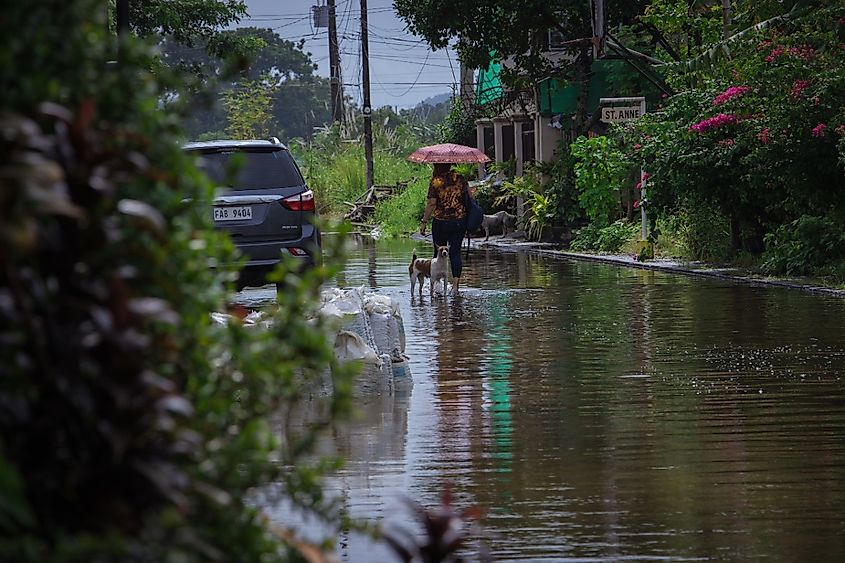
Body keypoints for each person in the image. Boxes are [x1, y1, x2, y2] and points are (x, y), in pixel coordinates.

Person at [419, 163, 468, 294]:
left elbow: (431, 203)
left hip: (441, 221)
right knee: (455, 252)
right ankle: (455, 287)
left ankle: (437, 286)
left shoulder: (436, 181)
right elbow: (468, 198)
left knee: (438, 252)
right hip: (459, 220)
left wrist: (424, 221)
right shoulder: (460, 178)